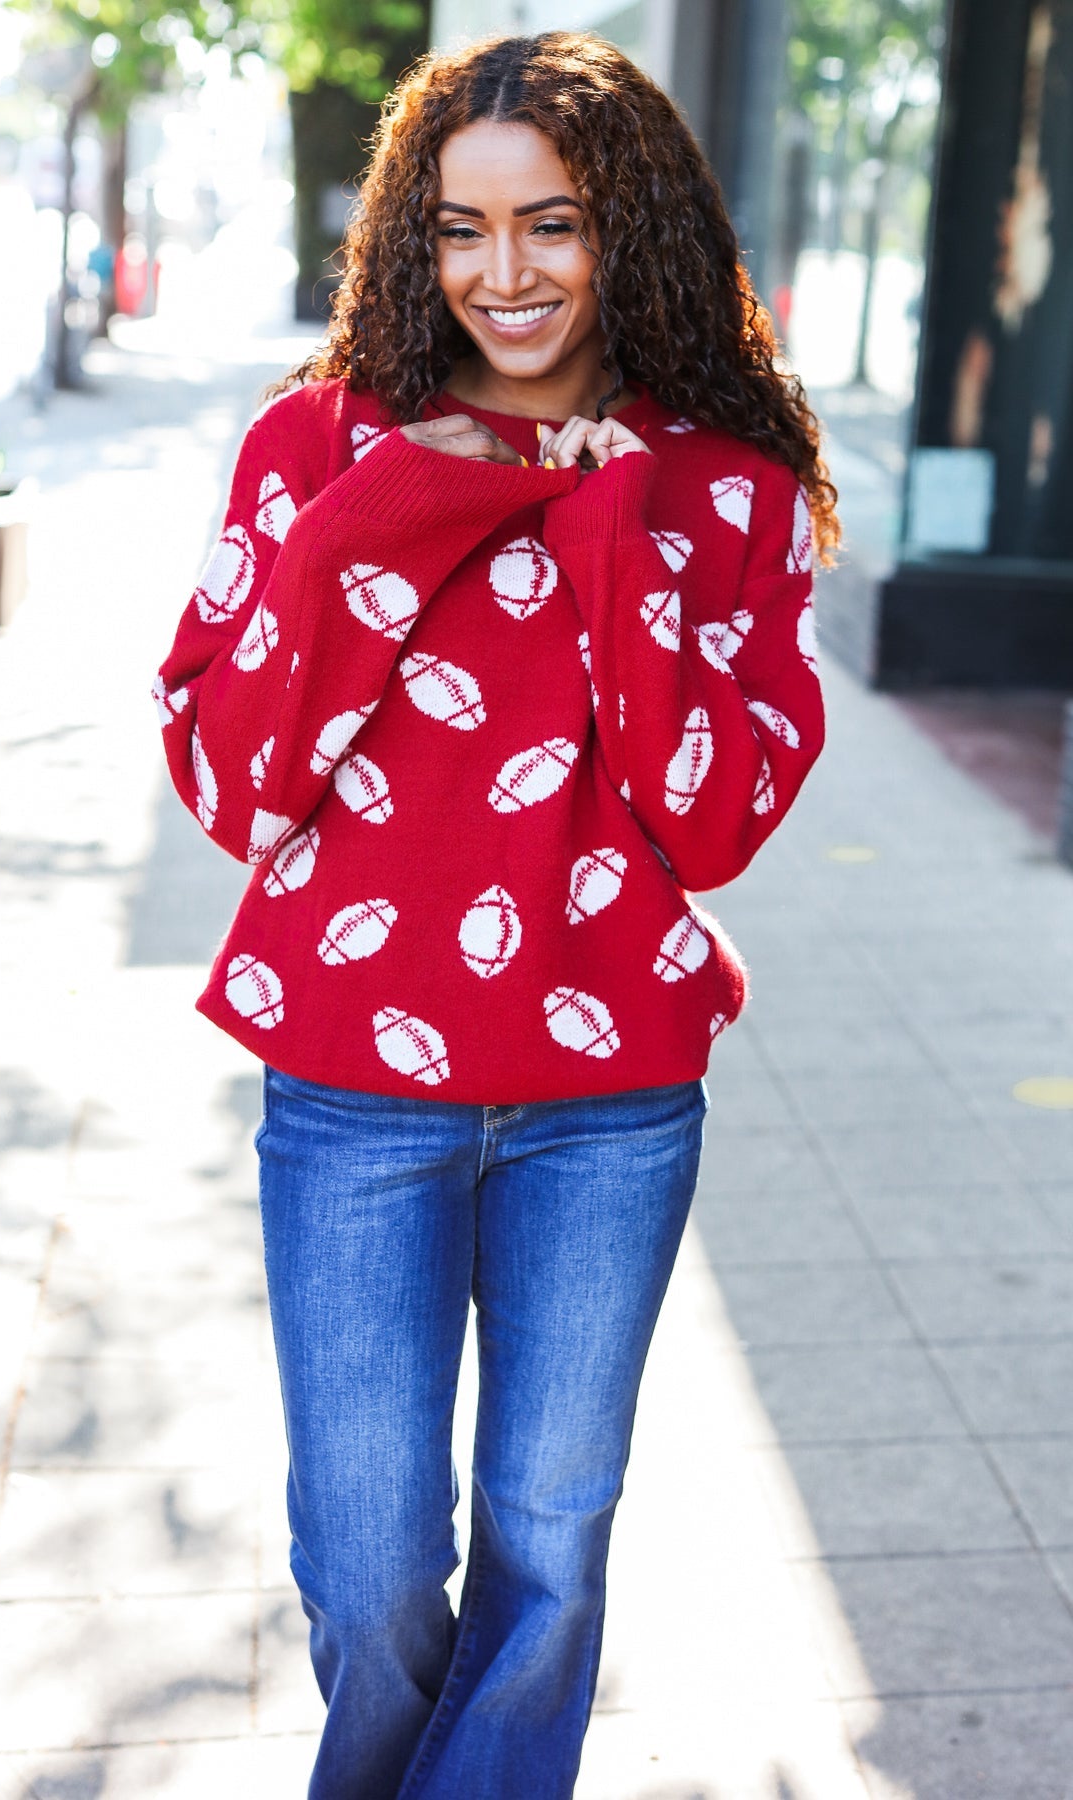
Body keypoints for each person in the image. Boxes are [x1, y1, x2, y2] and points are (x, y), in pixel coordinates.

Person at [153, 29, 835, 1800]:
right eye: (461, 230)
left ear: (637, 233)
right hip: (353, 1096)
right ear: (415, 239)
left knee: (550, 1549)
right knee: (372, 1569)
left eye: (553, 224)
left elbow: (714, 815)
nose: (505, 275)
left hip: (609, 1107)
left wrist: (610, 526)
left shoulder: (727, 491)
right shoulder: (313, 448)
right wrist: (397, 500)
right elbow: (232, 780)